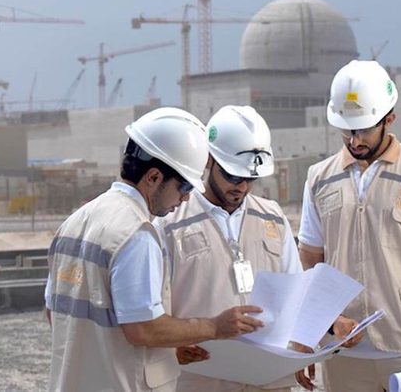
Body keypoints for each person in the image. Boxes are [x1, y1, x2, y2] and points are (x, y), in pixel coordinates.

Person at [45, 107, 265, 392]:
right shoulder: (136, 234)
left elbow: (55, 313)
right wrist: (214, 327)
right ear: (152, 177)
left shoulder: (76, 222)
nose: (186, 198)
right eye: (184, 185)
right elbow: (143, 328)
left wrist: (168, 345)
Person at [298, 60, 401, 392]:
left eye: (362, 129)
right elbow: (309, 261)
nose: (353, 139)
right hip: (342, 354)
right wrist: (316, 330)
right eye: (346, 130)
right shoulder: (319, 179)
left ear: (389, 119)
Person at [155, 105, 315, 392]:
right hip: (199, 380)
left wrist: (301, 343)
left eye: (250, 179)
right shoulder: (169, 222)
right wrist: (171, 348)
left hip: (268, 381)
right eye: (232, 176)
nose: (241, 187)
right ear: (208, 161)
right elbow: (152, 312)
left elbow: (295, 292)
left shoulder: (273, 217)